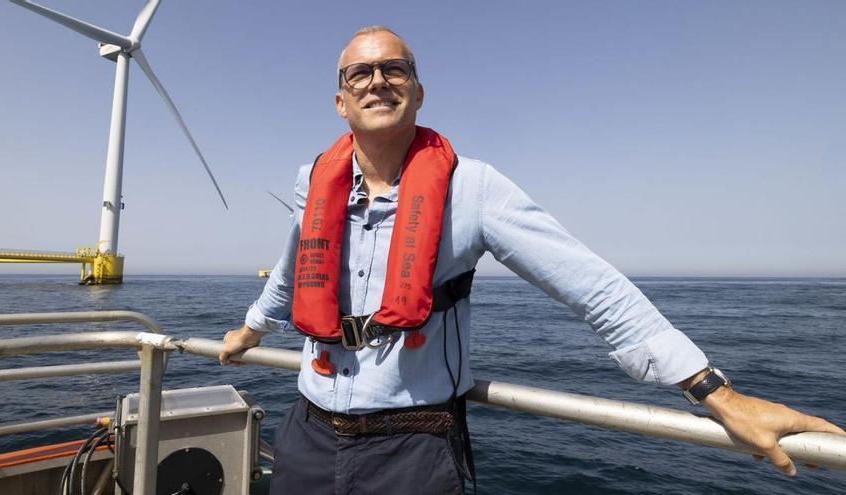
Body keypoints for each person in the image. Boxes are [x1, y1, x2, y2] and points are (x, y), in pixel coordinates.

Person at [220, 26, 844, 494]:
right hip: (307, 429)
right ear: (340, 101)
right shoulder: (315, 183)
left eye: (395, 69)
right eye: (360, 73)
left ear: (417, 89)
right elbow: (296, 267)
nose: (377, 81)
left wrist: (715, 393)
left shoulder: (476, 189)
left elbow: (594, 288)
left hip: (411, 444)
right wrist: (251, 328)